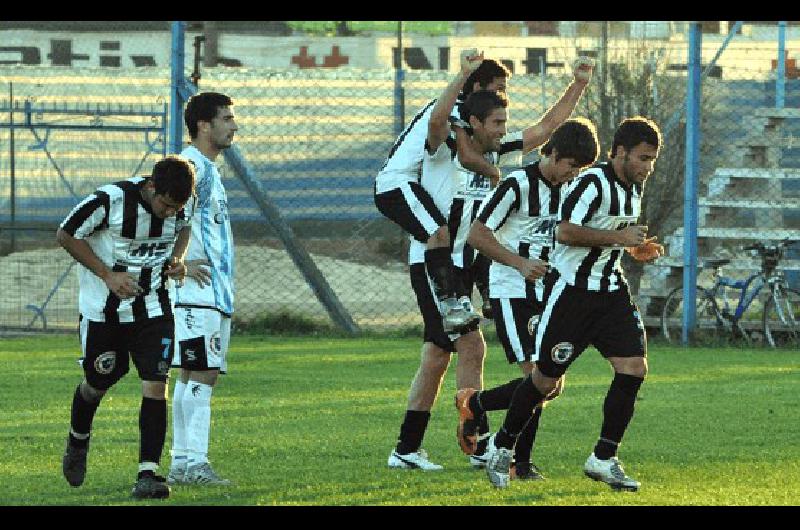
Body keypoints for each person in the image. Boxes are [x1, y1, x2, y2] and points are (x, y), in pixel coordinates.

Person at [389, 51, 594, 470]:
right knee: (468, 346)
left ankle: (411, 449)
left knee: (439, 353)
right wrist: (461, 76)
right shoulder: (447, 140)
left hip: (469, 260)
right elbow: (438, 123)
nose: (504, 112)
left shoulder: (499, 147)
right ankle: (473, 440)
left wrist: (578, 84)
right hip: (437, 261)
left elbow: (546, 129)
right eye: (496, 103)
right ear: (474, 110)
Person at [480, 116, 665, 490]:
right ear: (620, 152)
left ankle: (603, 457)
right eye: (643, 158)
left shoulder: (632, 188)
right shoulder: (592, 182)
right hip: (572, 295)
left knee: (633, 368)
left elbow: (613, 237)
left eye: (652, 160)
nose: (648, 167)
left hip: (611, 292)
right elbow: (565, 232)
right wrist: (619, 238)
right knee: (544, 381)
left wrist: (634, 247)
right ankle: (502, 448)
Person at [458, 118, 600, 480]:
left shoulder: (572, 190)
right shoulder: (516, 184)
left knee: (549, 385)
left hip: (550, 293)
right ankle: (520, 463)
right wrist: (519, 263)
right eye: (571, 166)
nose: (573, 175)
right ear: (551, 153)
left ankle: (475, 403)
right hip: (512, 289)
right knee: (536, 378)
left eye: (580, 169)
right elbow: (477, 235)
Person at [59, 155, 196, 499]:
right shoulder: (110, 201)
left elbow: (184, 228)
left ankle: (147, 474)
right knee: (97, 382)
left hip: (154, 310)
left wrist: (176, 260)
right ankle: (78, 441)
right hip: (105, 315)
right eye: (165, 204)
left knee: (156, 384)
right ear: (151, 186)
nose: (169, 213)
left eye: (175, 206)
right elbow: (66, 234)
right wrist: (107, 274)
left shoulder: (183, 204)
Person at [374, 49, 498, 335]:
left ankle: (486, 295)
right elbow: (462, 152)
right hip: (397, 183)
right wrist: (492, 172)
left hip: (413, 184)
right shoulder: (454, 110)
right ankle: (452, 304)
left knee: (477, 229)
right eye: (499, 88)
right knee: (439, 233)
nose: (503, 94)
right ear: (478, 88)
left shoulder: (468, 115)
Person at [166, 92, 238, 486]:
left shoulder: (207, 169)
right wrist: (179, 262)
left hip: (211, 294)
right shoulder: (192, 168)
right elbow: (169, 217)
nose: (234, 126)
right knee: (203, 374)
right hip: (198, 293)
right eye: (226, 118)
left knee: (192, 374)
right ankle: (194, 464)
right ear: (204, 125)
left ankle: (182, 462)